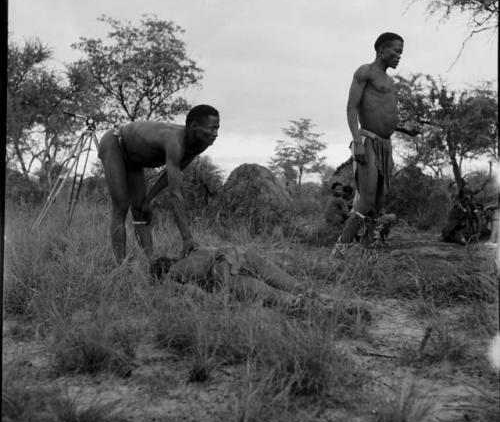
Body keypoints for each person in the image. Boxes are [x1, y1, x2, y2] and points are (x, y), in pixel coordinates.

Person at [332, 32, 419, 257]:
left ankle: (367, 252)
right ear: (382, 50)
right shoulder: (365, 72)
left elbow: (382, 114)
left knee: (378, 204)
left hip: (385, 144)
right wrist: (358, 142)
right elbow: (351, 108)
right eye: (396, 51)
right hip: (368, 140)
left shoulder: (389, 81)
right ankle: (340, 250)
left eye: (401, 52)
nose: (399, 56)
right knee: (367, 199)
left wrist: (404, 129)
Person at [98, 104, 220, 264]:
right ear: (194, 126)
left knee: (140, 210)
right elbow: (175, 194)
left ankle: (152, 263)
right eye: (212, 129)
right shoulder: (175, 141)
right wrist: (187, 238)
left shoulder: (200, 143)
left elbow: (170, 175)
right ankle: (121, 266)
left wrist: (149, 199)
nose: (215, 134)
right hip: (115, 142)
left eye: (217, 129)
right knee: (121, 205)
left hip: (134, 159)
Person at [150, 245, 338, 317]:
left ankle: (323, 311)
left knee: (276, 297)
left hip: (223, 268)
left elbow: (195, 293)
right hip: (240, 253)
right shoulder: (195, 250)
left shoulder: (175, 271)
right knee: (295, 286)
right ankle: (334, 302)